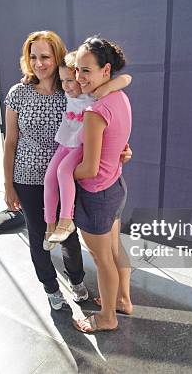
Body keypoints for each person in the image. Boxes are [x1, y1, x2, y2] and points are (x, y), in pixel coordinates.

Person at [3, 30, 89, 310]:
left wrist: (121, 148)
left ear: (57, 57)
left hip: (65, 178)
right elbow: (11, 141)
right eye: (33, 56)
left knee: (68, 233)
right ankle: (51, 287)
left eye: (45, 56)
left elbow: (101, 117)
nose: (39, 63)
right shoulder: (18, 94)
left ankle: (76, 280)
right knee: (39, 235)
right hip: (27, 178)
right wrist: (8, 185)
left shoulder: (71, 91)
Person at [71, 36, 133, 333]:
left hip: (97, 195)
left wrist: (64, 174)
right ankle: (123, 300)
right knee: (114, 248)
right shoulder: (118, 97)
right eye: (77, 70)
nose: (79, 78)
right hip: (116, 188)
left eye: (86, 71)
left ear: (105, 70)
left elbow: (89, 169)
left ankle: (108, 317)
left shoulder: (95, 112)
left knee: (102, 258)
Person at [44, 51, 131, 248]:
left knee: (62, 172)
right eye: (62, 81)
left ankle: (66, 220)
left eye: (70, 80)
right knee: (50, 177)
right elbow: (45, 75)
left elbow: (126, 78)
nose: (66, 86)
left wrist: (109, 85)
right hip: (66, 141)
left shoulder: (91, 94)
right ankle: (50, 225)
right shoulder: (68, 91)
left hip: (79, 145)